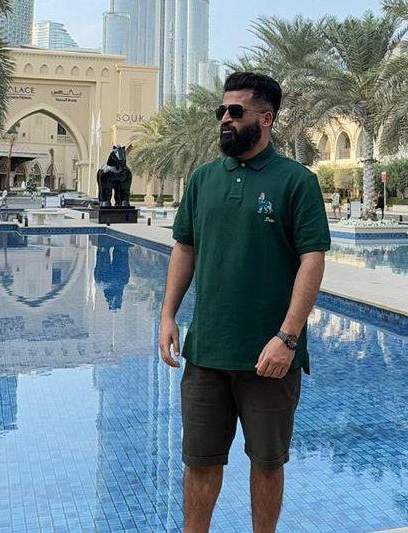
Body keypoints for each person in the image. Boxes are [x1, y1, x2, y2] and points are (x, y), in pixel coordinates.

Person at [160, 72, 330, 533]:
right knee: (199, 462)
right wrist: (168, 314)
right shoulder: (203, 180)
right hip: (206, 353)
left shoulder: (296, 181)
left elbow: (312, 261)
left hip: (270, 358)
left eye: (236, 112)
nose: (225, 119)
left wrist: (287, 338)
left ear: (266, 118)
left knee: (267, 464)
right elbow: (184, 248)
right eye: (222, 111)